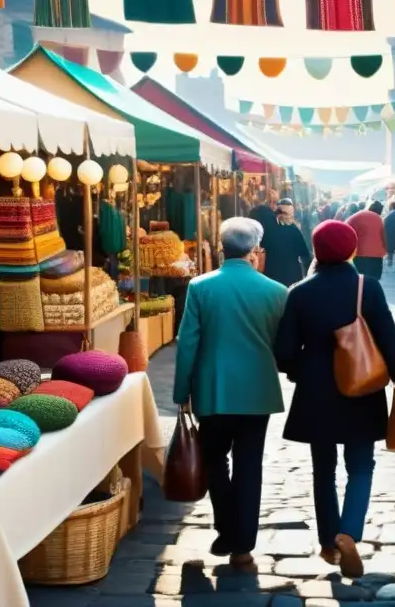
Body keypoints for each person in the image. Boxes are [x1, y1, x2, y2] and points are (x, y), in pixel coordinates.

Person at [273, 220, 395, 578]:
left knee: (323, 471)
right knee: (361, 466)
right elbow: (388, 338)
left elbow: (284, 351)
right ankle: (348, 532)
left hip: (317, 392)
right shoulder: (369, 287)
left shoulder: (299, 292)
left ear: (317, 250)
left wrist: (300, 371)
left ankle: (327, 543)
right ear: (351, 249)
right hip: (362, 389)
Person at [172, 218, 287, 570]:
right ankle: (243, 546)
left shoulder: (201, 286)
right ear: (254, 249)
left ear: (220, 246)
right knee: (249, 466)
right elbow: (283, 346)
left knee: (213, 460)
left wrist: (181, 391)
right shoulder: (277, 291)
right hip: (258, 389)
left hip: (214, 387)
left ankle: (227, 526)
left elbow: (188, 341)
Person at [263, 198, 311, 286]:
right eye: (287, 214)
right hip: (290, 278)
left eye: (291, 215)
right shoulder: (294, 230)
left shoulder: (267, 230)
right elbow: (305, 256)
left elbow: (305, 255)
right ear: (278, 214)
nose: (290, 217)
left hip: (273, 278)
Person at [346, 201, 387, 279]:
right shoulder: (380, 219)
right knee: (375, 279)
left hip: (360, 254)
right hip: (377, 254)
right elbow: (385, 236)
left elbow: (346, 231)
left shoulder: (357, 216)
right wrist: (385, 250)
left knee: (361, 279)